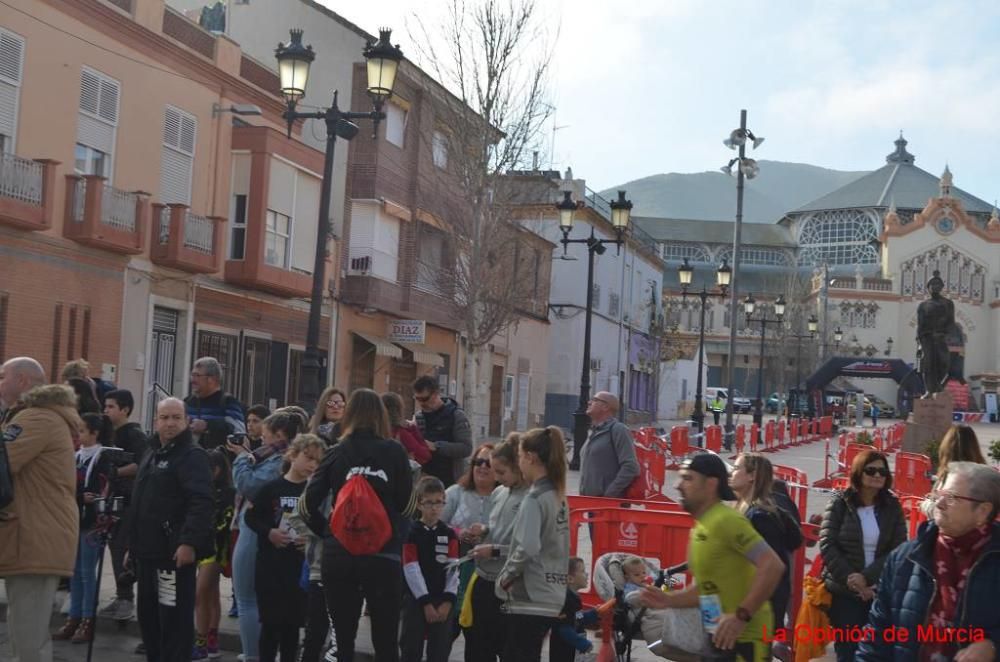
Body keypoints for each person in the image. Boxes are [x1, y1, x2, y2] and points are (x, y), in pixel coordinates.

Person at [637, 452, 785, 661]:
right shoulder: (702, 525)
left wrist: (741, 616)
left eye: (688, 478)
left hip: (744, 641)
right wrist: (669, 600)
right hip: (717, 637)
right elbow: (707, 589)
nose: (679, 485)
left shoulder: (727, 520)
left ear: (711, 484)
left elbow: (772, 565)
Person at [303, 388, 413, 662]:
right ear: (382, 417)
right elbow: (408, 505)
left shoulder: (336, 452)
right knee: (386, 638)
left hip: (340, 554)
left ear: (349, 415)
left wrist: (328, 533)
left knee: (344, 637)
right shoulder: (395, 452)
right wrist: (394, 535)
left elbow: (307, 505)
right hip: (382, 555)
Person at [857, 462, 1000, 661]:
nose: (939, 504)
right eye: (938, 494)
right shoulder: (905, 557)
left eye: (951, 498)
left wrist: (993, 646)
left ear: (983, 511)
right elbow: (877, 633)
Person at [0, 357, 80, 662]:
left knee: (28, 640)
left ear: (21, 381)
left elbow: (4, 461)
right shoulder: (38, 416)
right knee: (23, 633)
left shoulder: (36, 419)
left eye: (2, 376)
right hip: (33, 537)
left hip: (35, 538)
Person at [130, 397, 214, 662]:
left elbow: (201, 502)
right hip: (146, 553)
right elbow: (140, 501)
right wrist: (131, 545)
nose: (170, 423)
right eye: (164, 417)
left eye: (176, 417)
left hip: (172, 557)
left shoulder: (192, 456)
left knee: (173, 620)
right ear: (155, 421)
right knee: (149, 617)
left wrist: (188, 542)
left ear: (186, 421)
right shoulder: (152, 453)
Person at [230, 410, 305, 662]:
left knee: (247, 598)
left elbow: (249, 486)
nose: (261, 442)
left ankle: (253, 655)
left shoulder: (276, 460)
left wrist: (241, 458)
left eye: (265, 437)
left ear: (279, 436)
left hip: (256, 535)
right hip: (263, 533)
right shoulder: (274, 458)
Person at [819, 448, 906, 662]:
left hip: (879, 590)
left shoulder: (892, 506)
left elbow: (898, 548)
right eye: (871, 470)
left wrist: (867, 579)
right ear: (859, 472)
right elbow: (827, 544)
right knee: (848, 651)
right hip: (845, 592)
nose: (877, 475)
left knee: (878, 651)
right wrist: (853, 580)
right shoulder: (840, 502)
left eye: (882, 472)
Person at [246, 434, 325, 662]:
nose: (312, 464)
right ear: (292, 455)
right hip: (270, 567)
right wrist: (269, 532)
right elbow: (251, 517)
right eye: (308, 457)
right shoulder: (272, 487)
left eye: (317, 461)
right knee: (270, 626)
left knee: (292, 627)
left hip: (298, 569)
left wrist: (309, 540)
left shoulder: (314, 493)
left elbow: (323, 527)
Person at [496, 426, 571, 662]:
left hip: (530, 596)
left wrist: (505, 577)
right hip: (553, 592)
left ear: (530, 457)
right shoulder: (557, 495)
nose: (519, 463)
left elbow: (528, 547)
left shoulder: (534, 498)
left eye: (519, 456)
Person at [465, 434, 529, 662]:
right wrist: (483, 530)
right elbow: (495, 525)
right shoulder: (500, 492)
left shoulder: (530, 498)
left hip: (510, 584)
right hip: (484, 578)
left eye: (501, 472)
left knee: (508, 647)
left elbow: (528, 546)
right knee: (478, 646)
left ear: (519, 466)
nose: (498, 478)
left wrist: (494, 550)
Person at [52, 412, 114, 644]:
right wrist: (79, 496)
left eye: (81, 431)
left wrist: (92, 498)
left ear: (94, 433)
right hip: (74, 519)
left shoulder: (103, 457)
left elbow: (103, 487)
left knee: (87, 572)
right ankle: (74, 617)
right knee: (74, 572)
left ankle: (88, 619)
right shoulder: (76, 456)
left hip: (92, 523)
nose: (78, 435)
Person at [729, 453, 801, 639]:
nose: (731, 473)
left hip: (756, 612)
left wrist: (745, 612)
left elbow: (772, 571)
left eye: (737, 468)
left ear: (752, 476)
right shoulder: (742, 508)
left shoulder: (760, 517)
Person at [99, 388, 150, 621]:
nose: (105, 411)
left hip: (129, 501)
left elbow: (141, 465)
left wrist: (115, 473)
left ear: (125, 409)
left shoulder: (135, 435)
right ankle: (121, 596)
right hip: (113, 501)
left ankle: (126, 599)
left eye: (110, 407)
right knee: (114, 547)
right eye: (105, 406)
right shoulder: (110, 434)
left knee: (122, 548)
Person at [401, 476, 460, 662]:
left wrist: (448, 601)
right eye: (429, 503)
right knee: (411, 648)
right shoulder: (411, 532)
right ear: (419, 504)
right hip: (417, 600)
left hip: (442, 600)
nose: (434, 508)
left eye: (439, 502)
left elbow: (453, 567)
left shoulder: (449, 533)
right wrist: (425, 601)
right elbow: (411, 567)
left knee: (440, 650)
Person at [192, 448, 236, 660]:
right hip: (199, 547)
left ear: (217, 469)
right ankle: (211, 640)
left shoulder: (227, 492)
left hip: (216, 549)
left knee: (200, 593)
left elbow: (223, 523)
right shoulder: (199, 489)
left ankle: (202, 642)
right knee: (210, 594)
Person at [413, 375, 472, 487]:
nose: (421, 403)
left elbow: (466, 448)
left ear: (435, 394)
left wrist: (436, 446)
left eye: (425, 399)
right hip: (425, 481)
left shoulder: (456, 415)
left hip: (451, 480)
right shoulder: (419, 417)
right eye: (417, 399)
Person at [578, 392, 639, 498]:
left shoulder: (618, 430)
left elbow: (631, 467)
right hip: (589, 503)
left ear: (605, 407)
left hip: (608, 507)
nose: (589, 402)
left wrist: (609, 494)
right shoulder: (593, 431)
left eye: (595, 400)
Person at [185, 356, 246, 450]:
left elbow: (239, 433)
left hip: (216, 461)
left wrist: (207, 426)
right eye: (192, 375)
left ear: (211, 379)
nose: (192, 380)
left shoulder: (228, 402)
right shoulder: (187, 402)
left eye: (197, 376)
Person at [916, 271, 956, 397]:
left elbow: (951, 323)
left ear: (942, 287)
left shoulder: (948, 304)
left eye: (937, 284)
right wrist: (920, 343)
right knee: (926, 364)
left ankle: (938, 387)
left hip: (941, 338)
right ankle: (929, 390)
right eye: (932, 284)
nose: (934, 286)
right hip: (927, 339)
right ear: (928, 287)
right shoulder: (923, 305)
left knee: (944, 363)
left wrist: (946, 336)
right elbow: (920, 325)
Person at [549, 557, 595, 662]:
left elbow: (576, 617)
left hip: (572, 649)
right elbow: (563, 627)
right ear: (570, 579)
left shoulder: (574, 597)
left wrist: (594, 614)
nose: (587, 574)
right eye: (583, 571)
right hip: (562, 649)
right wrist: (580, 642)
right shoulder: (566, 599)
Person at [382, 392, 432, 465]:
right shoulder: (400, 433)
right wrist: (414, 429)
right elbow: (425, 456)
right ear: (399, 410)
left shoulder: (374, 430)